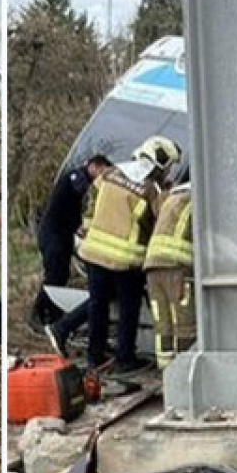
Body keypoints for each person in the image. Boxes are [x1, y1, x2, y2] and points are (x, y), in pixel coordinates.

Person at [73, 136, 180, 376]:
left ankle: (94, 356)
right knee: (127, 310)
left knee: (97, 306)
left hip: (94, 253)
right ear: (159, 164)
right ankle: (124, 359)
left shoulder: (109, 174)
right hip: (126, 261)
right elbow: (157, 221)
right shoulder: (148, 190)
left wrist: (88, 231)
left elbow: (91, 206)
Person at [31, 155, 113, 329]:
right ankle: (39, 313)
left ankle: (52, 313)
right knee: (54, 275)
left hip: (63, 236)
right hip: (53, 236)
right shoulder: (76, 176)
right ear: (95, 166)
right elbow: (76, 193)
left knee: (61, 276)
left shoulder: (82, 181)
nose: (101, 177)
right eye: (102, 171)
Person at [143, 185, 195, 369]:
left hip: (152, 265)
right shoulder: (198, 200)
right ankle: (184, 370)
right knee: (185, 324)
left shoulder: (171, 198)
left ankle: (165, 371)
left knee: (163, 323)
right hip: (177, 265)